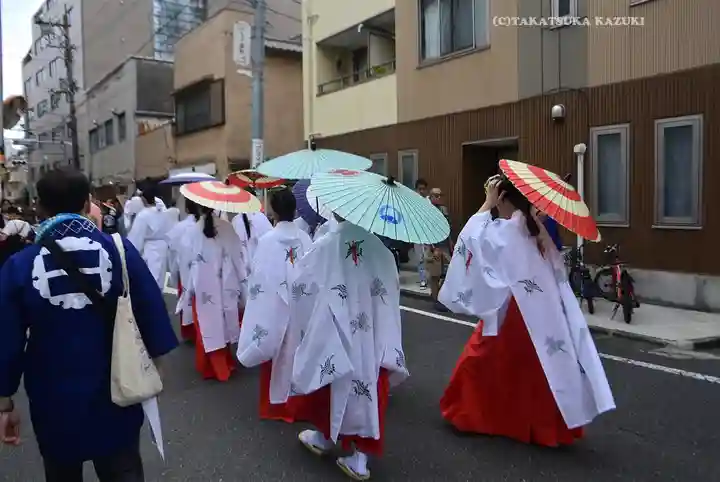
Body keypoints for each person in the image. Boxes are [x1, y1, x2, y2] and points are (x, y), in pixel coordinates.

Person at [0, 168, 178, 481]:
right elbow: (151, 310)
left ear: (39, 207)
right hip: (115, 387)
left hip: (53, 397)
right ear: (87, 203)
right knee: (122, 468)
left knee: (61, 470)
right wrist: (155, 365)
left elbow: (6, 338)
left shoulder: (20, 264)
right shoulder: (119, 250)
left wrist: (4, 400)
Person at [438, 175, 615, 447]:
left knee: (481, 361)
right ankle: (542, 428)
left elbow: (471, 239)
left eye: (497, 198)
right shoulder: (533, 228)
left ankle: (469, 415)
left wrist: (486, 203)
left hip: (513, 312)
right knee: (537, 371)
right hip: (541, 311)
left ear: (503, 198)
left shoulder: (510, 229)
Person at [286, 213, 409, 480]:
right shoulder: (382, 251)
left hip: (334, 328)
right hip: (371, 334)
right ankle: (360, 457)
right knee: (368, 387)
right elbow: (389, 297)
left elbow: (302, 286)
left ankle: (323, 437)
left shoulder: (326, 243)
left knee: (327, 377)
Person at [236, 188, 313, 422]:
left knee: (276, 351)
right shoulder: (305, 238)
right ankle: (299, 405)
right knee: (298, 353)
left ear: (274, 210)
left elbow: (260, 278)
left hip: (275, 305)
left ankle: (276, 406)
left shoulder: (268, 241)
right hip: (301, 305)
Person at [178, 204, 248, 382]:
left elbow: (184, 263)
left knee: (207, 325)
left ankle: (212, 368)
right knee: (224, 322)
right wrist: (244, 283)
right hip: (226, 283)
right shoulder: (227, 227)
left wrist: (186, 289)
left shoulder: (192, 231)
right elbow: (238, 257)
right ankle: (227, 363)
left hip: (202, 284)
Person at [167, 198, 201, 343]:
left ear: (186, 209)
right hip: (205, 274)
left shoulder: (180, 228)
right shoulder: (210, 227)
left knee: (187, 299)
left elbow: (173, 252)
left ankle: (190, 332)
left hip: (185, 270)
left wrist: (174, 271)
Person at [127, 186, 173, 289]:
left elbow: (135, 238)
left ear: (143, 199)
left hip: (150, 249)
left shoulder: (143, 215)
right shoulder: (164, 212)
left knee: (150, 279)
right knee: (160, 278)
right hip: (163, 248)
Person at [413, 179, 429, 289]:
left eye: (423, 189)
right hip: (417, 234)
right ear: (416, 189)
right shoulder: (413, 201)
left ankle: (431, 278)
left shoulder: (429, 201)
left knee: (429, 257)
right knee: (420, 258)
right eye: (420, 189)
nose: (422, 191)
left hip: (428, 233)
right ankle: (423, 279)